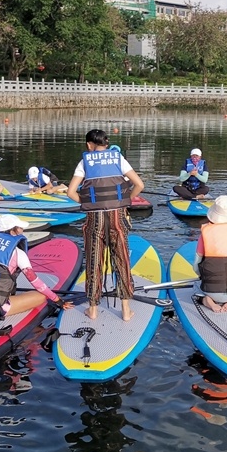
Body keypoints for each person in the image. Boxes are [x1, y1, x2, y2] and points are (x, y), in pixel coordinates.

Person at [66, 128, 144, 322]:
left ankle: (92, 309)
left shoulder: (85, 162)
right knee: (122, 259)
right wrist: (125, 201)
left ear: (89, 145)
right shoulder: (118, 159)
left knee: (94, 261)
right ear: (106, 144)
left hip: (95, 219)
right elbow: (139, 185)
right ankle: (126, 309)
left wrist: (87, 204)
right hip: (117, 216)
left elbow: (70, 192)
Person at [0, 214, 73, 328]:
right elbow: (36, 283)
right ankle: (6, 305)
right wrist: (58, 300)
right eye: (20, 227)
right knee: (41, 296)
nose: (22, 230)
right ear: (12, 231)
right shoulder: (18, 253)